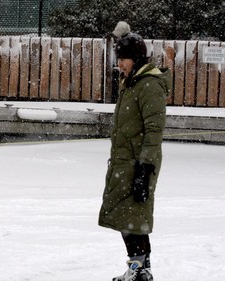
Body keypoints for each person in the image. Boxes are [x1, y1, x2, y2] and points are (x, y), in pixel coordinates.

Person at [98, 22, 172, 281]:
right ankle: (141, 269)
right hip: (125, 161)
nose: (120, 64)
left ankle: (139, 268)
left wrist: (145, 166)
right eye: (118, 58)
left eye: (124, 58)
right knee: (129, 217)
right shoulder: (131, 82)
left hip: (139, 162)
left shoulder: (148, 85)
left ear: (136, 58)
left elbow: (154, 130)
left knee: (132, 217)